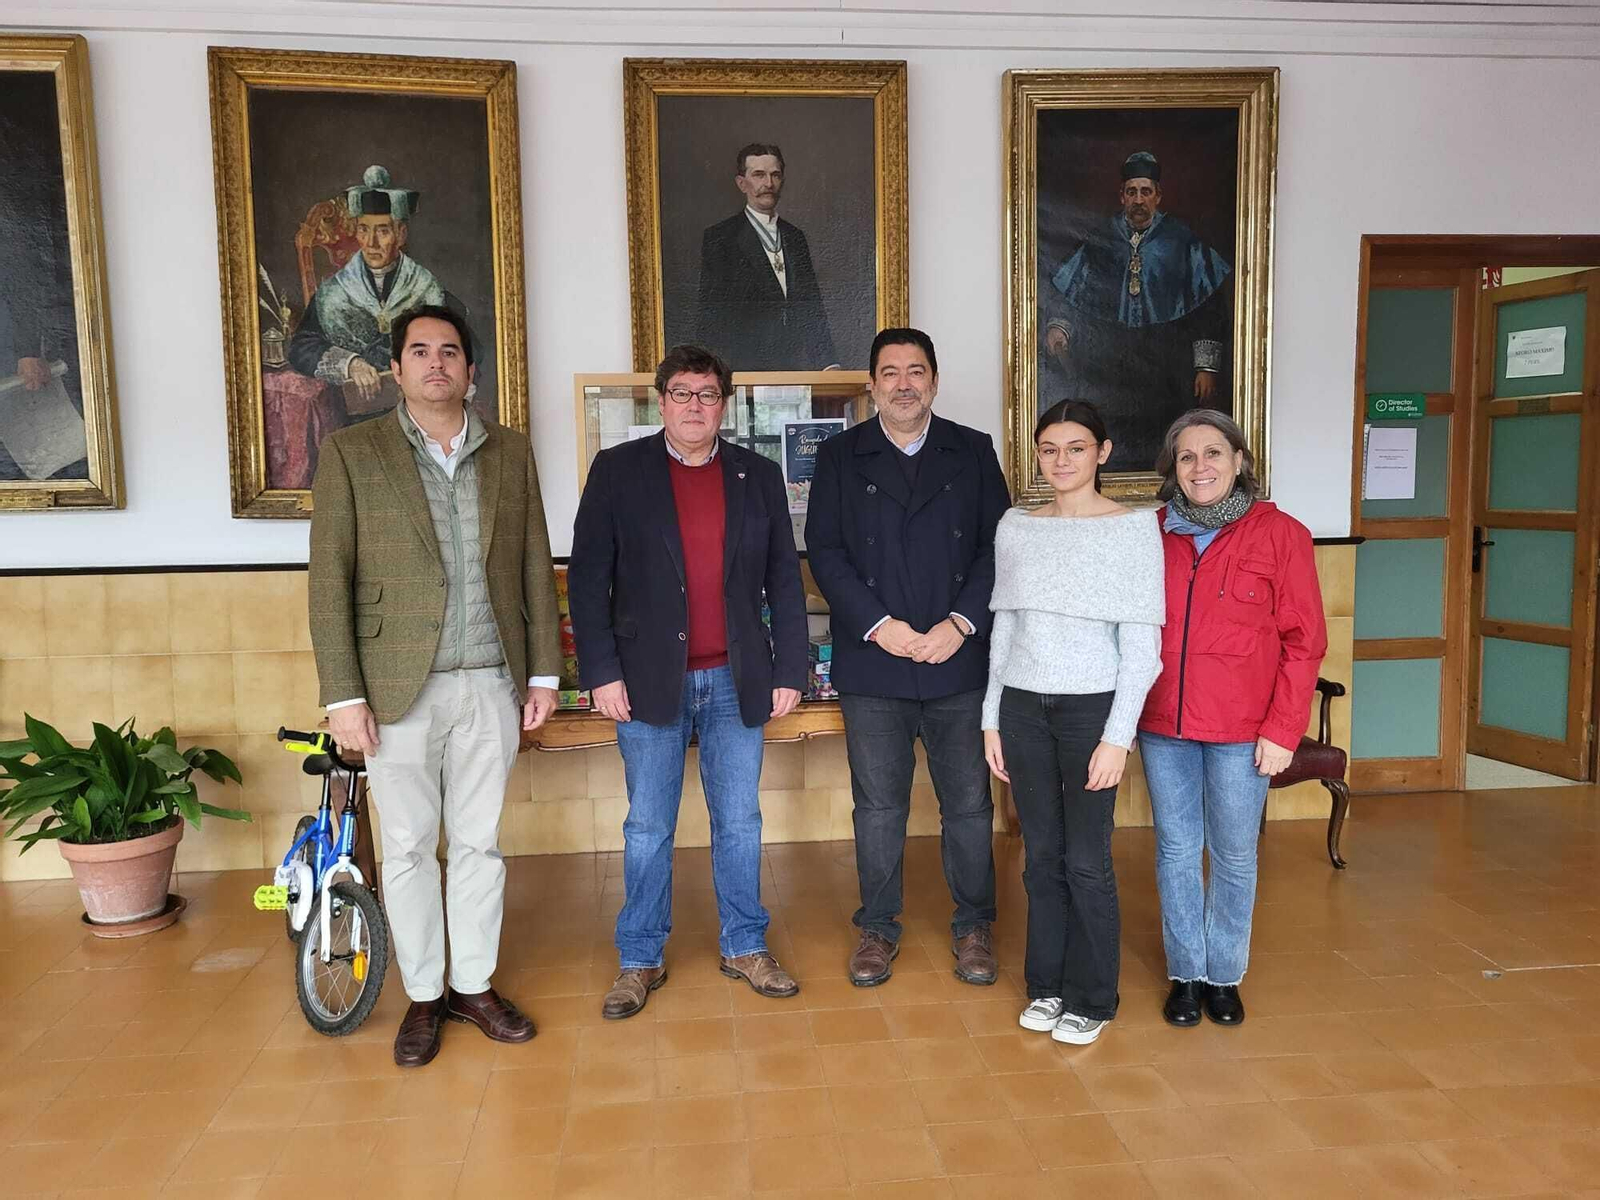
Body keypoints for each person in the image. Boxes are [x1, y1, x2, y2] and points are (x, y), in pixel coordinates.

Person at [308, 304, 562, 1067]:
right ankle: (424, 996)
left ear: (470, 369)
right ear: (396, 369)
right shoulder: (354, 453)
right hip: (395, 689)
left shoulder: (509, 453)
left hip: (490, 680)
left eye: (449, 351)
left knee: (481, 845)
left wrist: (544, 673)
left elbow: (532, 565)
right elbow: (330, 582)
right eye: (419, 351)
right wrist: (343, 696)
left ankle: (474, 985)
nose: (436, 364)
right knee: (413, 846)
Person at [569, 343, 809, 1019]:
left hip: (737, 679)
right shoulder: (618, 472)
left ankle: (745, 945)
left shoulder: (756, 476)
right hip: (646, 681)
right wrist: (601, 674)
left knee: (740, 821)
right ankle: (639, 957)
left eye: (708, 394)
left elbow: (783, 580)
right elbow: (589, 582)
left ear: (723, 405)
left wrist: (789, 668)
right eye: (682, 393)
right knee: (647, 826)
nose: (695, 406)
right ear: (661, 400)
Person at [805, 327, 1011, 988]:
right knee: (879, 806)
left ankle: (975, 924)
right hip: (876, 665)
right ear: (871, 385)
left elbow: (996, 548)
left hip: (957, 661)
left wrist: (960, 621)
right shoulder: (840, 456)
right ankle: (878, 927)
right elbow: (825, 553)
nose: (903, 384)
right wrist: (876, 625)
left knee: (969, 806)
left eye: (915, 370)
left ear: (934, 380)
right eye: (889, 372)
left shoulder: (973, 451)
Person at [982, 400, 1163, 1045]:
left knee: (1087, 859)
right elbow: (1004, 625)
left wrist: (1119, 736)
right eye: (1050, 448)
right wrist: (990, 719)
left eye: (1077, 448)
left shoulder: (1134, 530)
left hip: (1092, 710)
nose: (1062, 460)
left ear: (1103, 453)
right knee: (1040, 858)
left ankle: (1093, 995)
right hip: (1023, 708)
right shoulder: (1016, 526)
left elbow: (1143, 650)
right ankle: (1047, 986)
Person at [1138, 409, 1326, 1028]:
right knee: (1176, 849)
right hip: (1163, 722)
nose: (1201, 468)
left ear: (1239, 460)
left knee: (1235, 853)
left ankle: (1224, 975)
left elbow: (1305, 642)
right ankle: (1186, 974)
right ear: (1173, 468)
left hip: (1245, 731)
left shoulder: (1281, 533)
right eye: (1187, 457)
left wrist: (1283, 730)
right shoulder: (1150, 533)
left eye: (1213, 454)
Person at [1041, 150, 1232, 468]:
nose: (1139, 200)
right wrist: (1059, 326)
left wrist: (1205, 367)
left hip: (1167, 360)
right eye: (1132, 192)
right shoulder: (1100, 238)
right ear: (1122, 196)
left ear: (1158, 195)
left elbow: (1209, 308)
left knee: (1167, 433)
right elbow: (1071, 289)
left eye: (1146, 192)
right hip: (1114, 360)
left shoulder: (1181, 241)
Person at [289, 165, 450, 409]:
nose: (371, 242)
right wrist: (350, 364)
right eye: (364, 230)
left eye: (383, 231)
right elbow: (301, 348)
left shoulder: (426, 287)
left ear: (401, 234)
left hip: (421, 409)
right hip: (352, 415)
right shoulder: (333, 292)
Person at [695, 143, 838, 371]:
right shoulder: (721, 237)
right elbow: (712, 314)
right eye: (759, 175)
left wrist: (828, 363)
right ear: (742, 183)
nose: (768, 184)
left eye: (775, 175)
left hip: (793, 366)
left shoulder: (795, 236)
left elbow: (811, 305)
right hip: (742, 368)